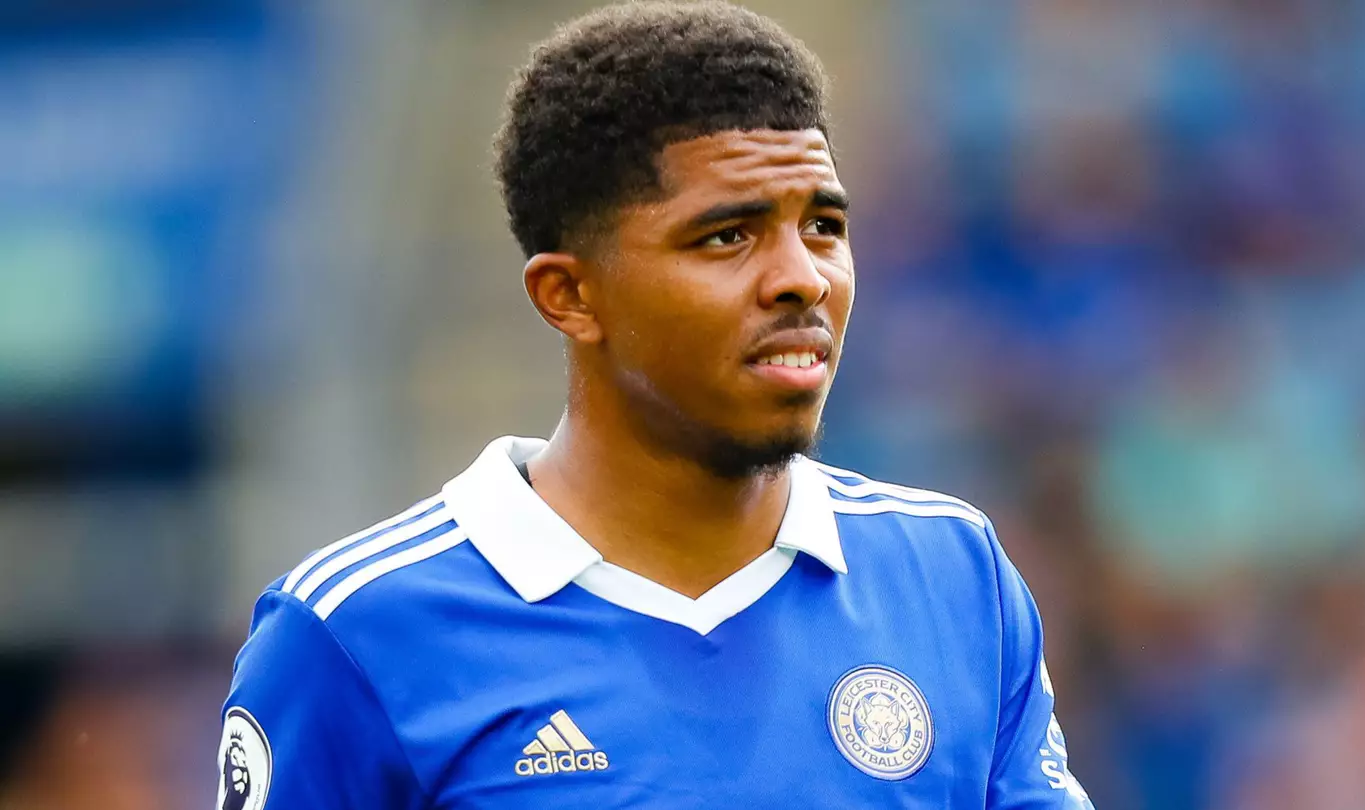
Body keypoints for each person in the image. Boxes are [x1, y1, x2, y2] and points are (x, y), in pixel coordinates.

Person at [215, 2, 1093, 807]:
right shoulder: (354, 633)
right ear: (570, 296)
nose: (802, 278)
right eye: (728, 236)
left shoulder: (952, 574)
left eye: (823, 226)